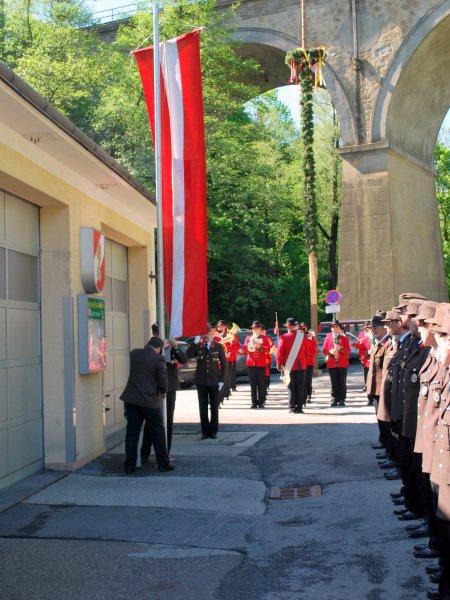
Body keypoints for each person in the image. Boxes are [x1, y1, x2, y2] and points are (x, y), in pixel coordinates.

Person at [120, 336, 173, 474]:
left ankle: (129, 465)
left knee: (132, 433)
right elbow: (163, 381)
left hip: (131, 400)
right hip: (149, 401)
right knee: (158, 431)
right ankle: (163, 463)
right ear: (159, 348)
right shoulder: (158, 359)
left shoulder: (134, 354)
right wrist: (163, 391)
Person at [140, 324, 187, 460]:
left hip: (170, 387)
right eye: (159, 333)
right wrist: (162, 348)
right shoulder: (151, 345)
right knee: (151, 421)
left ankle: (166, 453)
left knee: (168, 420)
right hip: (154, 389)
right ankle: (145, 453)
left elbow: (183, 359)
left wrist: (175, 347)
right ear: (155, 334)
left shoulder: (171, 345)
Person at [187, 327, 227, 439]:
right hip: (201, 382)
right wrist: (194, 344)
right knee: (203, 407)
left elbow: (224, 365)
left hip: (214, 381)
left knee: (214, 407)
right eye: (203, 334)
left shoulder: (218, 347)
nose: (205, 336)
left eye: (207, 333)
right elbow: (188, 354)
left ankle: (214, 431)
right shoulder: (198, 346)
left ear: (211, 334)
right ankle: (205, 432)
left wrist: (222, 380)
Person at [277, 318, 307, 413]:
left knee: (291, 387)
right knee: (300, 387)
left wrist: (279, 365)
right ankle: (300, 407)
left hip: (289, 366)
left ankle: (292, 407)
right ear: (295, 326)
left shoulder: (284, 337)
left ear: (287, 327)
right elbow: (306, 351)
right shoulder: (302, 336)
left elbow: (280, 353)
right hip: (301, 365)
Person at [244, 321, 272, 408]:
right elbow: (245, 349)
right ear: (252, 329)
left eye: (257, 328)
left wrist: (259, 346)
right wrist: (251, 346)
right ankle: (254, 402)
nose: (255, 330)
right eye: (254, 328)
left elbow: (268, 349)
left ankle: (261, 401)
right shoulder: (248, 338)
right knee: (252, 384)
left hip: (261, 364)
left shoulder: (264, 338)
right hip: (251, 363)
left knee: (261, 383)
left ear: (260, 329)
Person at [322, 320, 351, 406]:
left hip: (342, 363)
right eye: (333, 327)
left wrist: (341, 348)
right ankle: (334, 398)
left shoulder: (344, 337)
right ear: (331, 328)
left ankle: (342, 399)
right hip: (332, 363)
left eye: (336, 327)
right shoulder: (328, 337)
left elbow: (348, 351)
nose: (335, 328)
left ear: (339, 328)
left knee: (342, 382)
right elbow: (324, 350)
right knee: (333, 382)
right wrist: (330, 352)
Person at [217, 320, 240, 402]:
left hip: (229, 358)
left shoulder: (231, 335)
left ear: (225, 326)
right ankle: (221, 393)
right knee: (220, 377)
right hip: (219, 359)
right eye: (219, 326)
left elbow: (237, 346)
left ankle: (226, 393)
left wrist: (230, 344)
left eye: (222, 326)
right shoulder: (217, 335)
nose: (220, 327)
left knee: (227, 377)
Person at [354, 322, 372, 399]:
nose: (367, 328)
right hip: (365, 357)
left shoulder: (373, 335)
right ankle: (366, 385)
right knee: (366, 373)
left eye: (369, 327)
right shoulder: (362, 334)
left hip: (372, 358)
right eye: (366, 326)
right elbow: (358, 344)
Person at [303, 325, 317, 403]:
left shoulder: (309, 338)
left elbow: (314, 350)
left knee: (308, 380)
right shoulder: (298, 339)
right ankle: (303, 395)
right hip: (300, 363)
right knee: (302, 380)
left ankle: (308, 395)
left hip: (308, 362)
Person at [261, 325, 274, 391]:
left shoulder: (268, 338)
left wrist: (271, 350)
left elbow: (272, 346)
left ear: (265, 331)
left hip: (267, 357)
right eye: (261, 330)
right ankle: (263, 385)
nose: (262, 331)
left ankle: (267, 385)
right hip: (261, 357)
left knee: (267, 372)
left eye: (263, 330)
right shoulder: (259, 337)